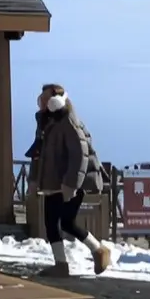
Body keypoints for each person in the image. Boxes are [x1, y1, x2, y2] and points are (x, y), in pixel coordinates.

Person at [27, 85, 113, 275]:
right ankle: (62, 264)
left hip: (70, 182)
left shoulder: (68, 122)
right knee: (52, 223)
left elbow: (80, 154)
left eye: (45, 98)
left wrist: (71, 184)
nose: (41, 101)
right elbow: (38, 155)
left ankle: (99, 251)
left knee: (67, 222)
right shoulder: (45, 122)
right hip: (53, 183)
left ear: (56, 101)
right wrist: (33, 180)